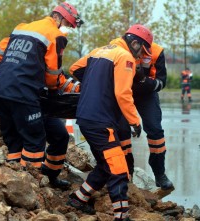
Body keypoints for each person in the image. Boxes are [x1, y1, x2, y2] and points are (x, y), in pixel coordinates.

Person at [0, 2, 83, 188]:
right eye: (67, 25)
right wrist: (57, 86)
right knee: (34, 141)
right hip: (24, 93)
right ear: (60, 18)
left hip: (1, 91)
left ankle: (47, 177)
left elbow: (1, 51)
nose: (66, 29)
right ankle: (28, 186)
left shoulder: (23, 28)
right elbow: (52, 76)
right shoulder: (54, 35)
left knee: (50, 137)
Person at [67, 24, 153, 221]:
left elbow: (75, 68)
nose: (141, 56)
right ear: (134, 43)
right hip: (101, 122)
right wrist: (134, 121)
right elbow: (123, 93)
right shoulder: (125, 57)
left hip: (88, 118)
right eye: (142, 50)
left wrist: (94, 82)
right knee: (118, 169)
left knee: (106, 166)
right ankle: (121, 216)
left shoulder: (99, 51)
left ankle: (78, 199)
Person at [117, 41, 174, 191]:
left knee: (155, 130)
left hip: (147, 93)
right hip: (124, 91)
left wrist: (144, 80)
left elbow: (162, 82)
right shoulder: (119, 46)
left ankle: (159, 173)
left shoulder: (156, 51)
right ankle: (126, 174)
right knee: (122, 131)